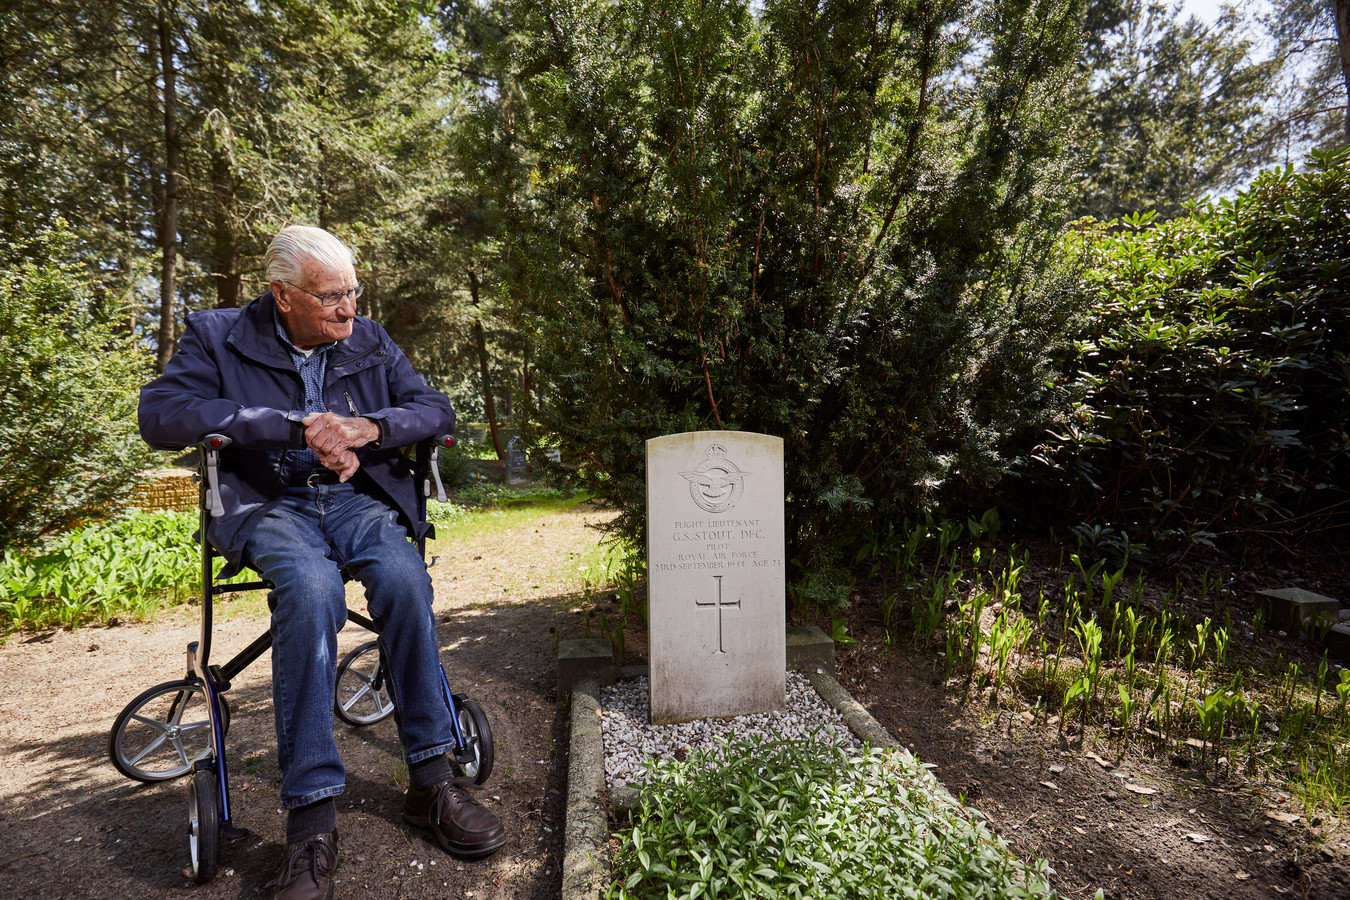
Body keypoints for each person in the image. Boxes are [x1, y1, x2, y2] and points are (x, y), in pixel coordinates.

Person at [139, 225, 505, 900]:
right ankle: (311, 821)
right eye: (330, 296)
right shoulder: (218, 334)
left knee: (402, 578)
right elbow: (160, 415)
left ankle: (432, 781)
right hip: (268, 502)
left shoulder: (368, 339)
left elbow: (433, 406)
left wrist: (371, 429)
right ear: (283, 295)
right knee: (309, 591)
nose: (347, 310)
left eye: (352, 293)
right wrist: (287, 423)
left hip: (354, 499)